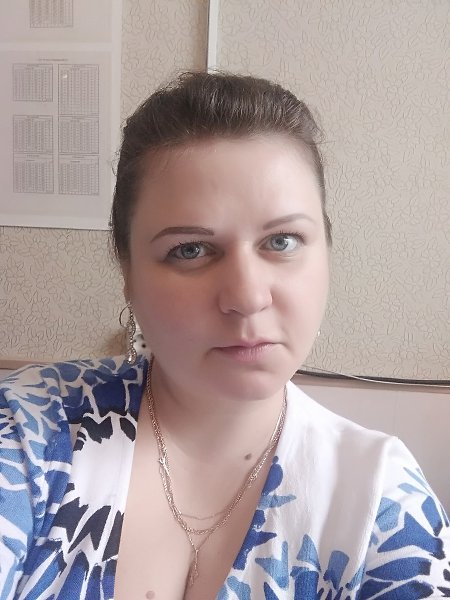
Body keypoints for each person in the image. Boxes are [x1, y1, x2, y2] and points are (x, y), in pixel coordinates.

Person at [0, 72, 448, 600]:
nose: (247, 296)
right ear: (128, 272)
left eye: (282, 241)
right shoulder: (31, 431)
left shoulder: (380, 501)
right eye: (190, 250)